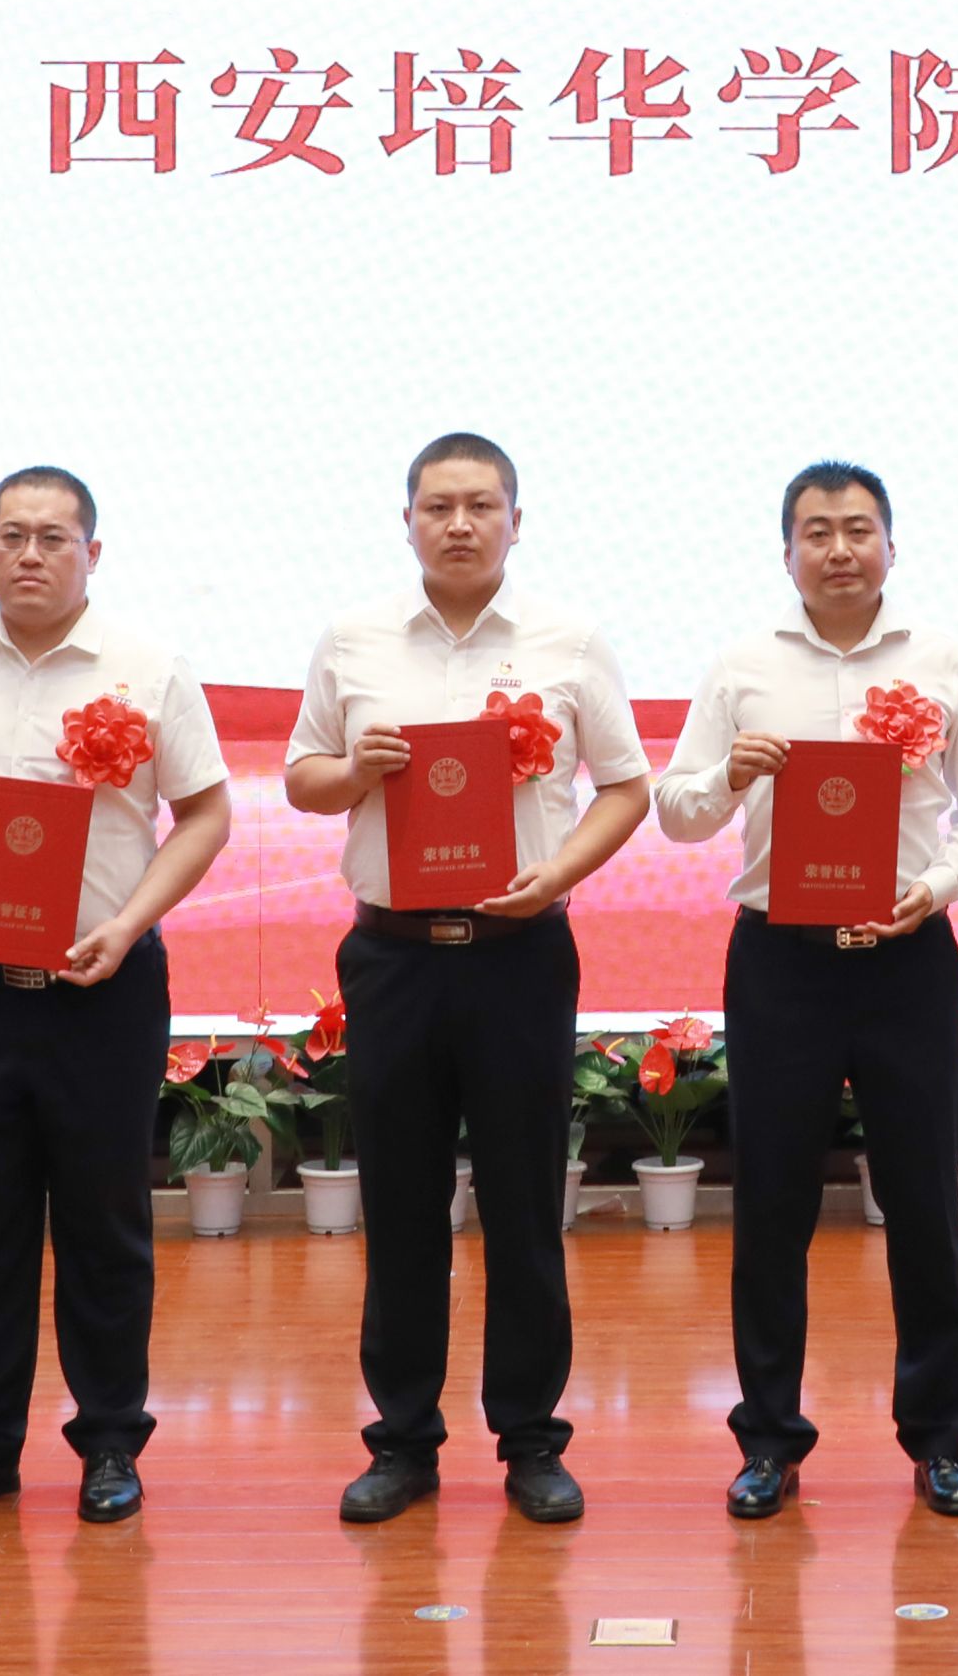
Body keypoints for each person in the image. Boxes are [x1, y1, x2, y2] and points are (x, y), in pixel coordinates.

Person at [286, 432, 653, 1526]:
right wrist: (355, 772)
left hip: (518, 955)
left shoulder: (567, 642)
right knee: (400, 1204)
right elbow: (304, 778)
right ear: (406, 522)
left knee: (524, 1203)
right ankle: (402, 1441)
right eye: (437, 506)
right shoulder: (353, 640)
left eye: (480, 506)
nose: (459, 524)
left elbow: (625, 787)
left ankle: (531, 1440)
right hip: (394, 956)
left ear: (514, 522)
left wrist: (556, 878)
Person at [654, 460, 958, 1520]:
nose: (840, 549)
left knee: (924, 1202)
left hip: (907, 954)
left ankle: (941, 1440)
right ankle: (768, 1440)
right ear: (788, 553)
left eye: (859, 529)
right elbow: (676, 810)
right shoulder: (742, 667)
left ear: (891, 546)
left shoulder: (942, 660)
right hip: (782, 961)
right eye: (816, 532)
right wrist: (728, 776)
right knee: (771, 1205)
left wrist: (935, 887)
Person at [0, 467, 232, 1528]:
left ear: (91, 554)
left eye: (53, 538)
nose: (30, 554)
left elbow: (206, 814)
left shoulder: (149, 669)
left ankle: (110, 1439)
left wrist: (131, 922)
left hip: (101, 985)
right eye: (12, 535)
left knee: (103, 1221)